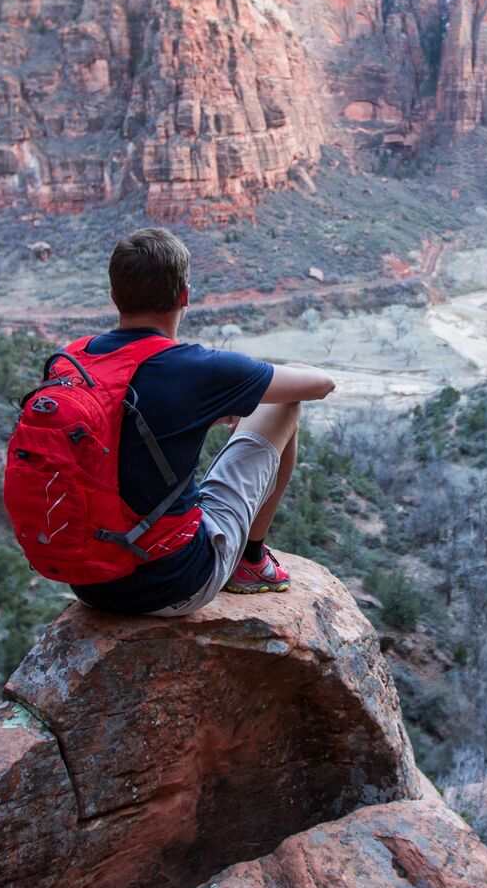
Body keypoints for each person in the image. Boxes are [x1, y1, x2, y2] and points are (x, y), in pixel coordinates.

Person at [67, 227, 334, 616]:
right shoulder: (194, 369)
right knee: (284, 404)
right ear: (184, 295)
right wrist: (234, 398)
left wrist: (205, 414)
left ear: (114, 295)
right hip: (176, 583)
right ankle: (250, 561)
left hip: (90, 582)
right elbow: (320, 385)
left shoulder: (74, 360)